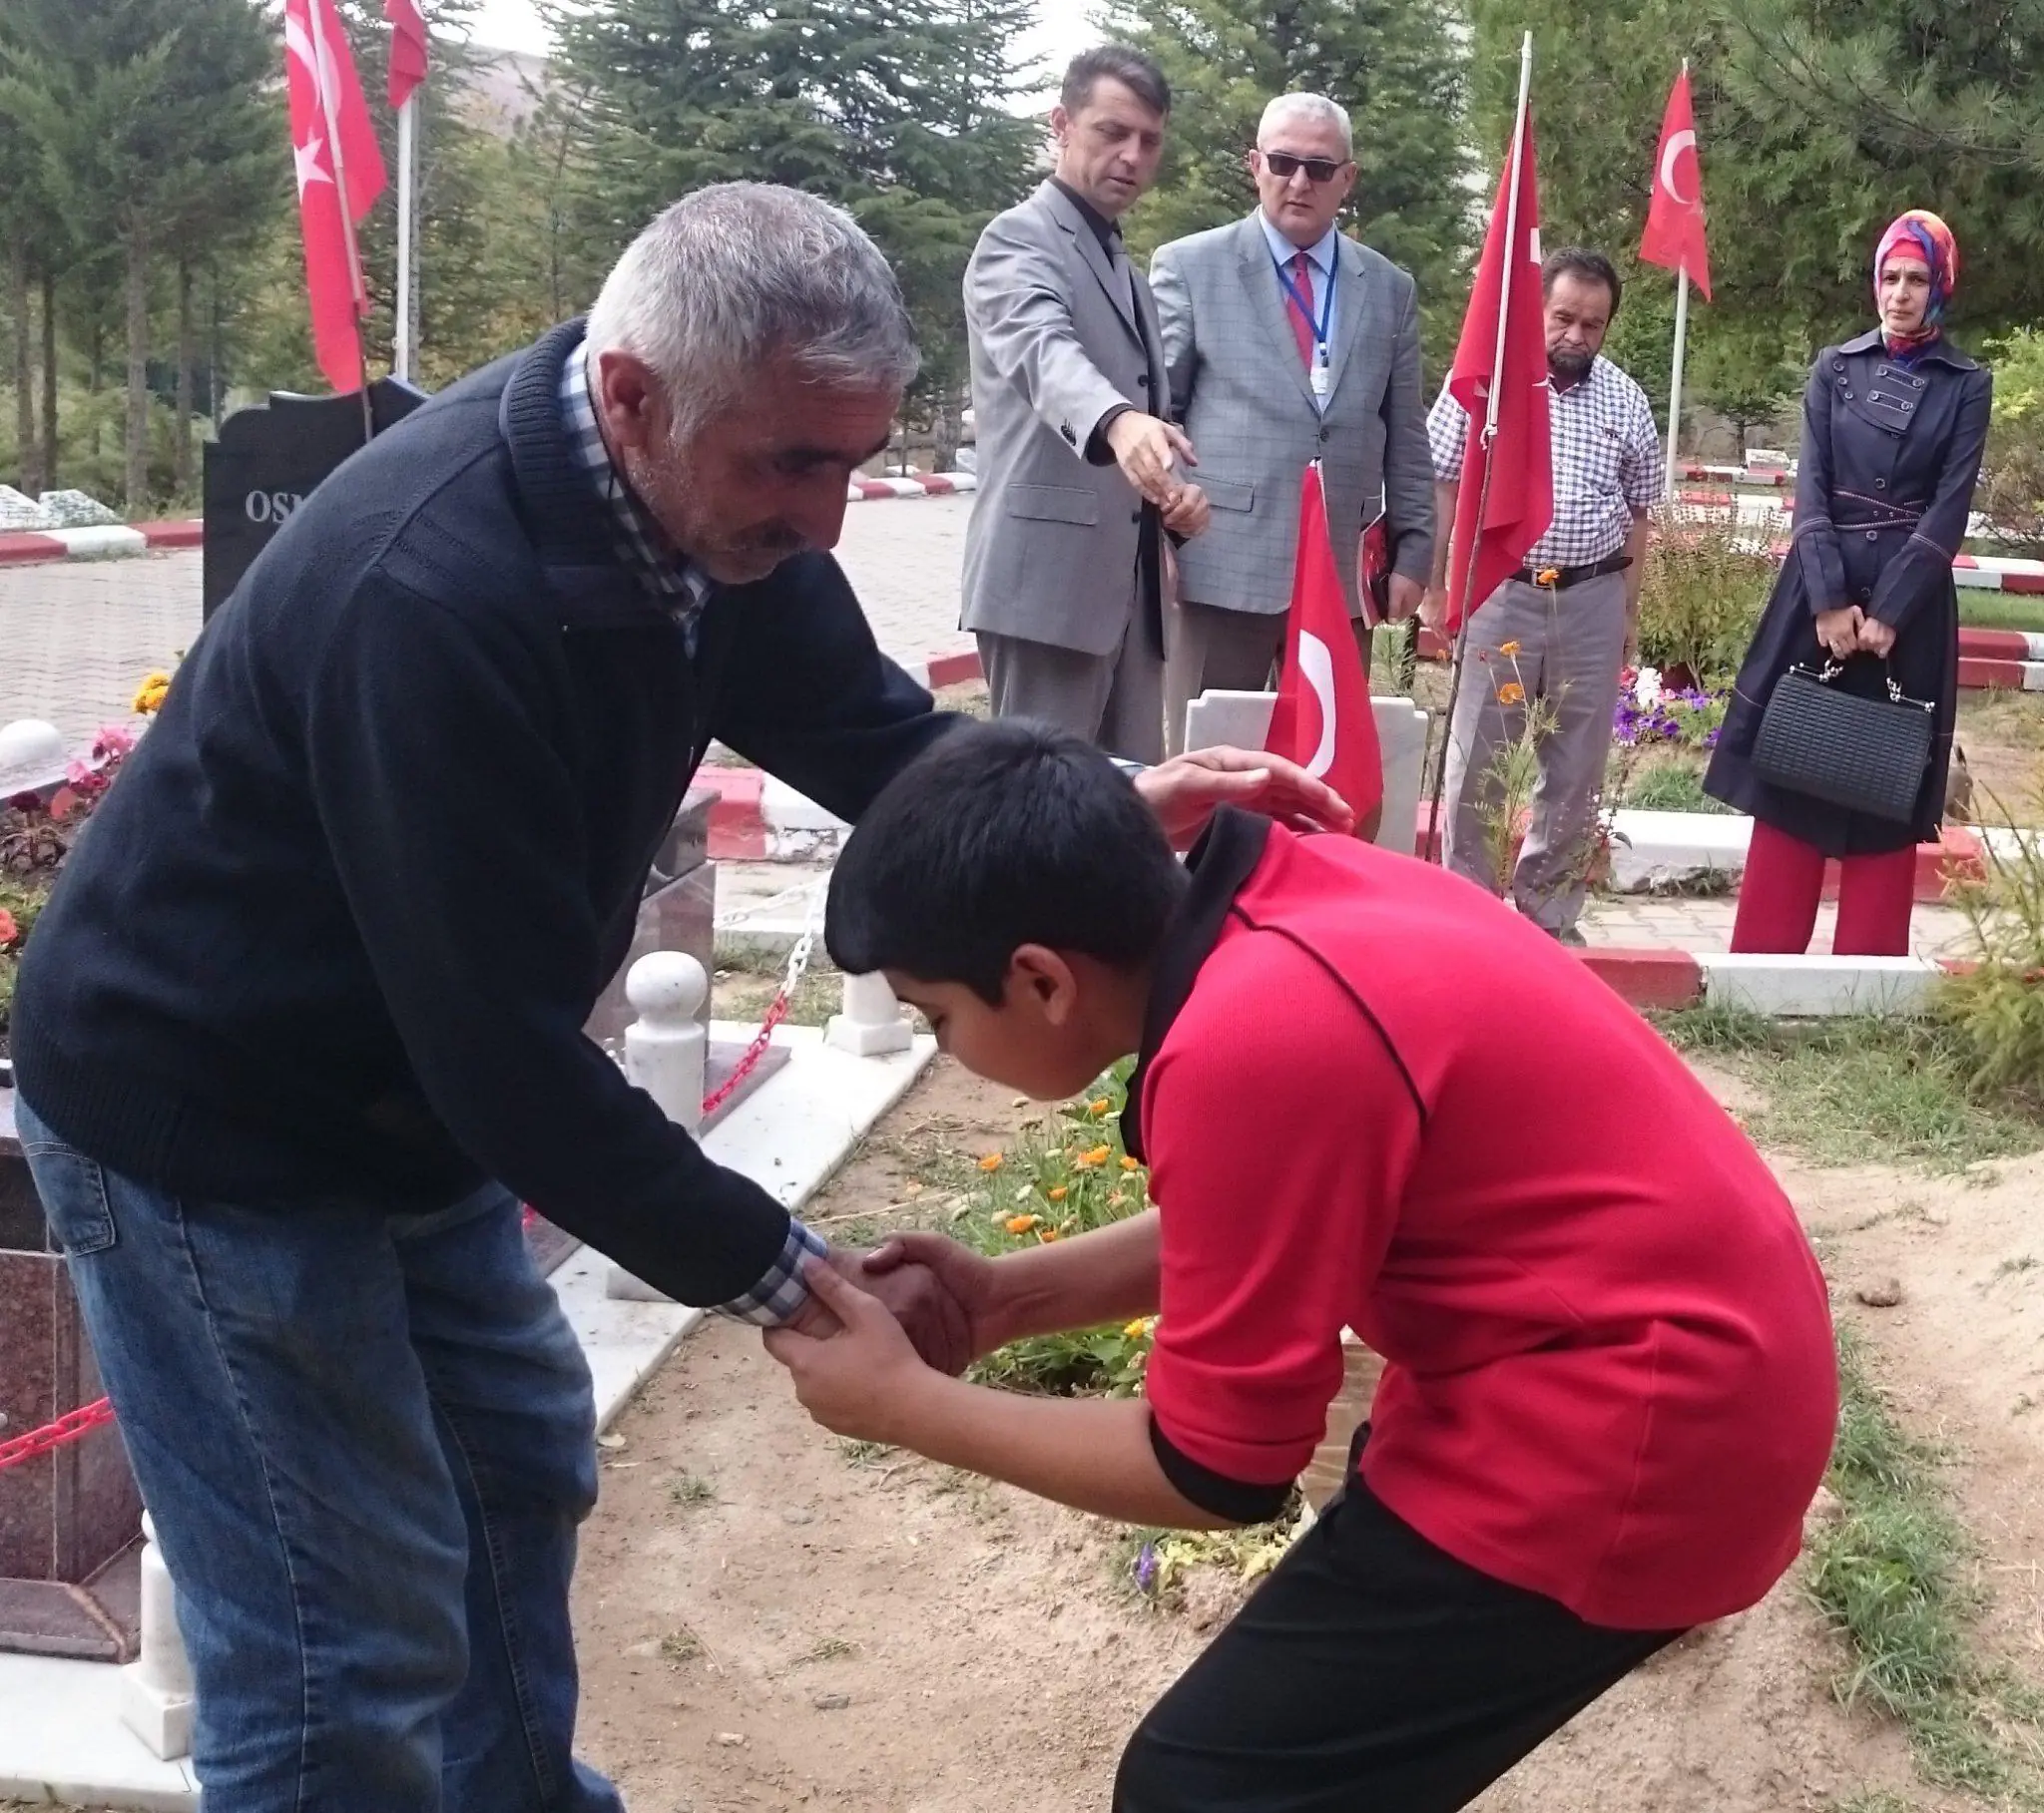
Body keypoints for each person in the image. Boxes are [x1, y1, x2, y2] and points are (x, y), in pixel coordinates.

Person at [8, 185, 1345, 1813]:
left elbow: (878, 738)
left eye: (852, 461)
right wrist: (794, 1282)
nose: (831, 518)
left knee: (515, 1476)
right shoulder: (431, 592)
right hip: (211, 1125)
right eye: (794, 463)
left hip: (401, 1102)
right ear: (631, 396)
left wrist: (1096, 800)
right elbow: (506, 1065)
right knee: (332, 1648)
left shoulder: (713, 509)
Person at [768, 717, 1839, 1813]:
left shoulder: (1251, 1037)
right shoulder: (1280, 901)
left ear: (1041, 979)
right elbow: (1283, 1225)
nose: (944, 1045)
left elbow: (1212, 1471)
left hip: (1641, 1437)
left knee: (1204, 1790)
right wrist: (1003, 1297)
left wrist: (905, 1406)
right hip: (1658, 1362)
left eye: (937, 1015)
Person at [1706, 211, 1992, 956]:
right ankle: (1761, 966)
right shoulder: (1836, 367)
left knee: (1887, 780)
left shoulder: (1967, 385)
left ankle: (1868, 979)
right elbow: (1813, 489)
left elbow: (1950, 506)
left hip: (1912, 610)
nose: (1900, 293)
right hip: (1818, 594)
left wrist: (1892, 611)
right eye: (1890, 277)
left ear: (1941, 286)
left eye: (1917, 278)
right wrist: (1830, 599)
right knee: (1792, 768)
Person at [1150, 91, 1433, 748]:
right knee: (1209, 772)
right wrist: (1158, 534)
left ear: (1348, 179)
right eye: (1282, 162)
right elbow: (1157, 415)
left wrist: (1415, 550)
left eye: (1321, 168)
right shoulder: (1192, 267)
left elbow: (1406, 434)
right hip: (1222, 564)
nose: (1299, 181)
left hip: (1341, 571)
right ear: (1255, 165)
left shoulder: (1389, 289)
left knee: (1325, 768)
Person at [962, 46, 1211, 763]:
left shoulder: (1125, 269)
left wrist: (1178, 498)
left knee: (1123, 827)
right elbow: (1044, 351)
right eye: (1112, 132)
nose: (1131, 156)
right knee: (1036, 829)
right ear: (1062, 124)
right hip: (1047, 595)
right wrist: (1116, 420)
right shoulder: (1018, 240)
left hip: (1130, 604)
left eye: (1150, 141)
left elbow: (1143, 415)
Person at [1426, 246, 1660, 942]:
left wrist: (1629, 610)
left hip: (1590, 598)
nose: (1576, 336)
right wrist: (1438, 587)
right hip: (1502, 593)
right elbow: (1441, 479)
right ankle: (1465, 913)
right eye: (1564, 318)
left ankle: (1548, 918)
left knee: (1577, 765)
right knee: (1480, 762)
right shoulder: (1487, 383)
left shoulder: (1625, 398)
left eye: (1593, 324)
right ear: (1539, 311)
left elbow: (1640, 509)